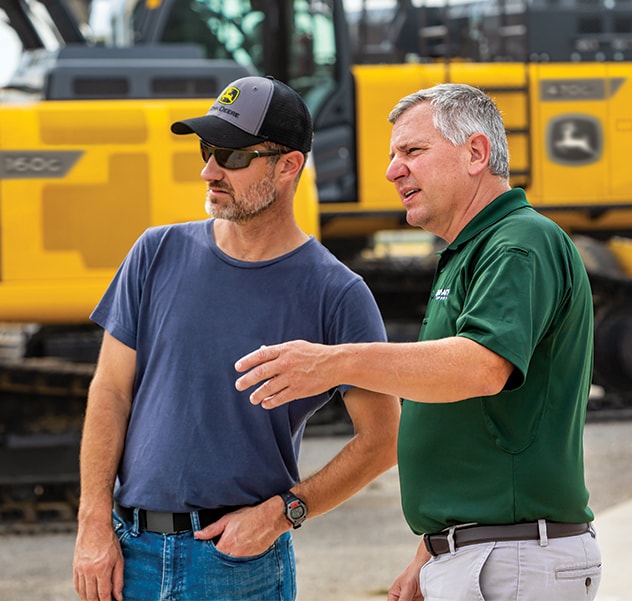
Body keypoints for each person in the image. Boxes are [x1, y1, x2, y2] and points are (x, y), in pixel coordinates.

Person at [235, 83, 602, 600]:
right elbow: (472, 423)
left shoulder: (520, 242)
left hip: (513, 559)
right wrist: (433, 550)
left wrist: (334, 362)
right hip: (490, 554)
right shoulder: (473, 251)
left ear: (475, 153)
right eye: (392, 155)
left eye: (412, 151)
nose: (392, 170)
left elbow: (481, 367)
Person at [72, 75, 400, 601]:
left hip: (237, 565)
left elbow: (382, 440)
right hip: (128, 555)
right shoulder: (155, 253)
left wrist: (284, 511)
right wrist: (92, 524)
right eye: (207, 149)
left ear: (288, 165)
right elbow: (110, 391)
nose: (209, 170)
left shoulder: (337, 293)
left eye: (230, 156)